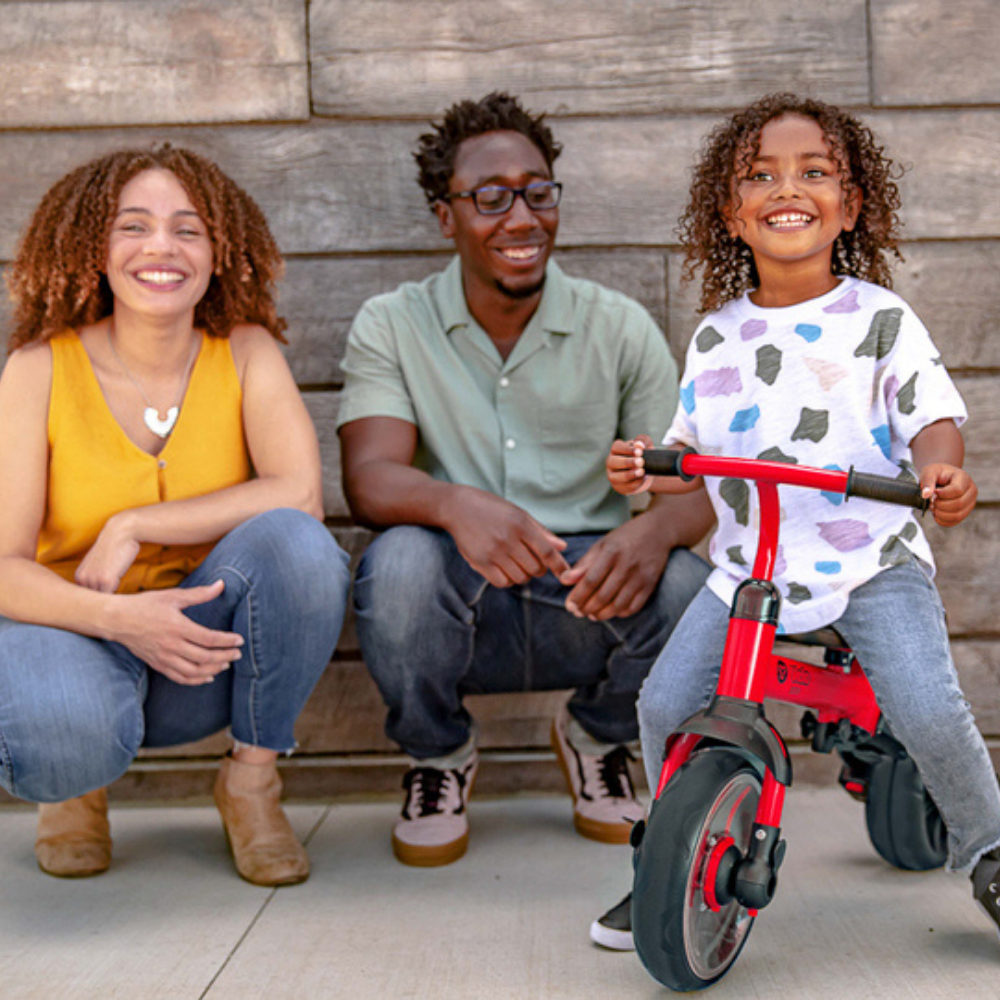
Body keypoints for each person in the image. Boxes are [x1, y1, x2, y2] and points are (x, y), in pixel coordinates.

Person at [596, 92, 1000, 950]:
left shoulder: (879, 320)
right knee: (666, 700)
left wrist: (939, 465)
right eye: (761, 175)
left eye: (815, 172)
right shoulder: (715, 338)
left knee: (926, 710)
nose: (790, 187)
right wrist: (642, 467)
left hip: (868, 561)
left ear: (850, 204)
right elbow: (687, 463)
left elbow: (932, 412)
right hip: (748, 567)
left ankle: (990, 853)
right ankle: (663, 865)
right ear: (731, 213)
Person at [337, 92, 714, 868]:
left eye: (538, 192)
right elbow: (369, 478)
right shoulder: (392, 322)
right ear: (447, 216)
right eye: (490, 197)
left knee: (688, 586)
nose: (522, 218)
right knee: (397, 564)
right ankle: (438, 758)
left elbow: (689, 491)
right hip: (460, 595)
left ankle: (598, 739)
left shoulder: (618, 326)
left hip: (588, 589)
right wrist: (456, 504)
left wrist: (655, 527)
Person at [0, 145, 350, 887]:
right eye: (134, 226)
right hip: (75, 634)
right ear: (94, 247)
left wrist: (134, 523)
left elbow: (298, 495)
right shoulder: (38, 369)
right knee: (59, 739)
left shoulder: (248, 353)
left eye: (188, 229)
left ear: (220, 252)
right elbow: (3, 569)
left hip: (202, 658)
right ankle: (75, 787)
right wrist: (124, 621)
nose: (162, 247)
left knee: (300, 544)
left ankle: (250, 784)